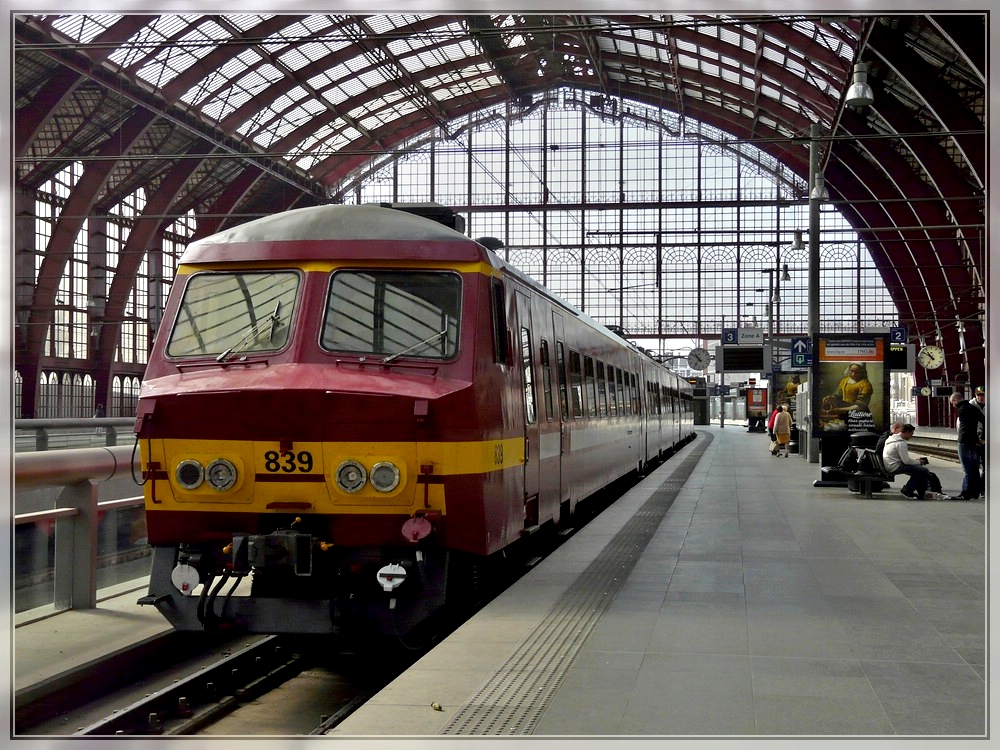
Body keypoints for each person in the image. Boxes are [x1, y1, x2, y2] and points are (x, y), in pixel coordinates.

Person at [950, 391, 985, 501]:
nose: (953, 405)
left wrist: (976, 439)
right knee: (974, 469)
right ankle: (975, 493)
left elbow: (967, 428)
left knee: (967, 469)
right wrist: (981, 438)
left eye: (952, 403)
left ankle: (965, 494)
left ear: (956, 400)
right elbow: (985, 420)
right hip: (973, 443)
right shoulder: (973, 408)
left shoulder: (962, 410)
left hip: (964, 442)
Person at [882, 423, 930, 499]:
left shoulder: (891, 439)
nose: (912, 436)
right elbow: (906, 461)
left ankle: (922, 493)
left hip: (889, 464)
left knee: (919, 471)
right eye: (911, 433)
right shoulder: (900, 443)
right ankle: (907, 491)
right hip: (895, 466)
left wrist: (916, 461)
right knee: (923, 470)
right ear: (907, 431)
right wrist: (919, 462)